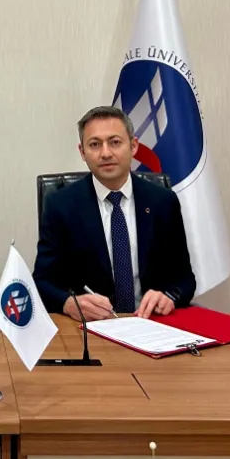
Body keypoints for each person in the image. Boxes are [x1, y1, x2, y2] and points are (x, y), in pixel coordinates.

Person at [33, 106, 196, 323]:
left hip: (151, 323)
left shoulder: (163, 201)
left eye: (115, 142)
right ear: (82, 152)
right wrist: (68, 303)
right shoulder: (61, 205)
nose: (106, 153)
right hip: (91, 326)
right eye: (94, 144)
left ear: (133, 146)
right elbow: (42, 281)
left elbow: (185, 279)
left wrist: (168, 296)